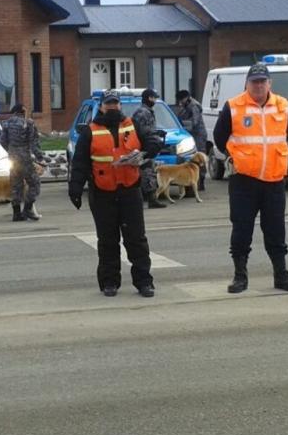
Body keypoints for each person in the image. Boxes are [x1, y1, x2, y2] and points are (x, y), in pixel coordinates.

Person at [213, 63, 288, 294]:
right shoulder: (233, 106)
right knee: (241, 230)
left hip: (274, 180)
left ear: (269, 83)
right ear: (247, 84)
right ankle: (240, 277)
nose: (259, 85)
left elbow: (286, 133)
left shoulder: (282, 105)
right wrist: (237, 157)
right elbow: (219, 136)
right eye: (255, 82)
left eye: (263, 81)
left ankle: (281, 275)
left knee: (276, 230)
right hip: (244, 180)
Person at [68, 89, 160, 297]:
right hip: (102, 193)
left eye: (115, 103)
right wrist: (75, 188)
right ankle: (110, 282)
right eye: (108, 103)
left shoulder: (132, 125)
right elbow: (80, 162)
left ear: (120, 105)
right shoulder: (90, 131)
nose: (112, 106)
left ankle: (144, 282)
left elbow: (151, 141)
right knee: (108, 240)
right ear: (101, 106)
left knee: (136, 239)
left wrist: (152, 147)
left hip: (130, 191)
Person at [0, 103, 45, 222]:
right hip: (25, 158)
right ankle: (28, 208)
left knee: (16, 185)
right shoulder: (28, 123)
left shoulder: (6, 123)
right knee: (35, 183)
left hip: (13, 158)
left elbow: (1, 140)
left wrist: (10, 150)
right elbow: (34, 142)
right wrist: (40, 157)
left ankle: (16, 213)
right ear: (23, 110)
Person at [132, 88, 167, 208]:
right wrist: (152, 139)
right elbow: (141, 132)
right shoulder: (142, 112)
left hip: (148, 145)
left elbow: (147, 130)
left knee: (148, 172)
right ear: (148, 98)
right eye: (153, 97)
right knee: (146, 172)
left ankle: (151, 198)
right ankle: (149, 198)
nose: (155, 100)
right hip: (144, 147)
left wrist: (157, 134)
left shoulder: (147, 111)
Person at [175, 89, 208, 191]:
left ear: (186, 98)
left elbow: (195, 122)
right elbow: (179, 117)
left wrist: (185, 128)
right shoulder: (185, 106)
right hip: (191, 135)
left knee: (200, 157)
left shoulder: (194, 106)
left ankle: (201, 181)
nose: (180, 103)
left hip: (198, 135)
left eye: (181, 100)